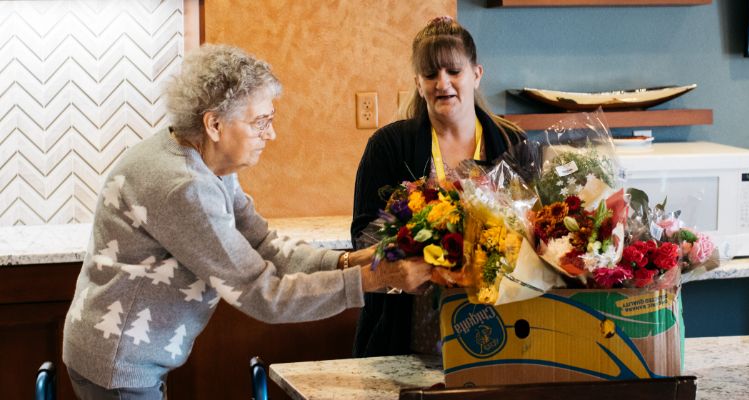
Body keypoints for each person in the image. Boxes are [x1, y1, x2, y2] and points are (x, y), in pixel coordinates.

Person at [62, 44, 432, 399]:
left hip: (130, 356)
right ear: (214, 124)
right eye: (260, 121)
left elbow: (263, 243)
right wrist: (374, 279)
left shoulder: (207, 162)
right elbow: (262, 294)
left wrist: (351, 260)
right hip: (120, 365)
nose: (270, 133)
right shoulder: (185, 187)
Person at [350, 16, 528, 358]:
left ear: (476, 75)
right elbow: (363, 236)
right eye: (430, 74)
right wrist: (420, 246)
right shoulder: (388, 146)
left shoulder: (512, 142)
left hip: (500, 322)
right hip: (406, 329)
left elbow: (534, 230)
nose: (442, 82)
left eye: (453, 71)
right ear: (418, 83)